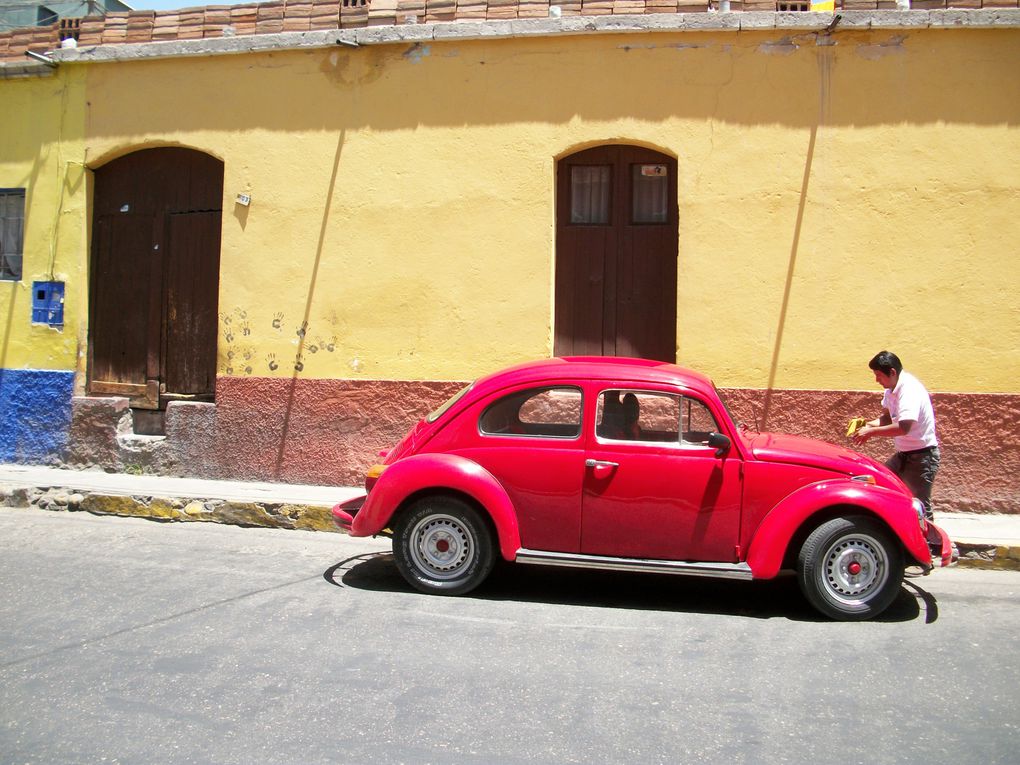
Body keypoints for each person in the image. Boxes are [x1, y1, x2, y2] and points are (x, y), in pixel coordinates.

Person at [853, 351, 940, 524]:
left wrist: (870, 433)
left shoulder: (909, 389)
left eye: (879, 375)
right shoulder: (890, 389)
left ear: (892, 372)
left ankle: (931, 546)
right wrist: (868, 424)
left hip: (922, 456)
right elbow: (887, 418)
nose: (877, 380)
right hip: (903, 454)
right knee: (881, 485)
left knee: (919, 504)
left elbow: (903, 427)